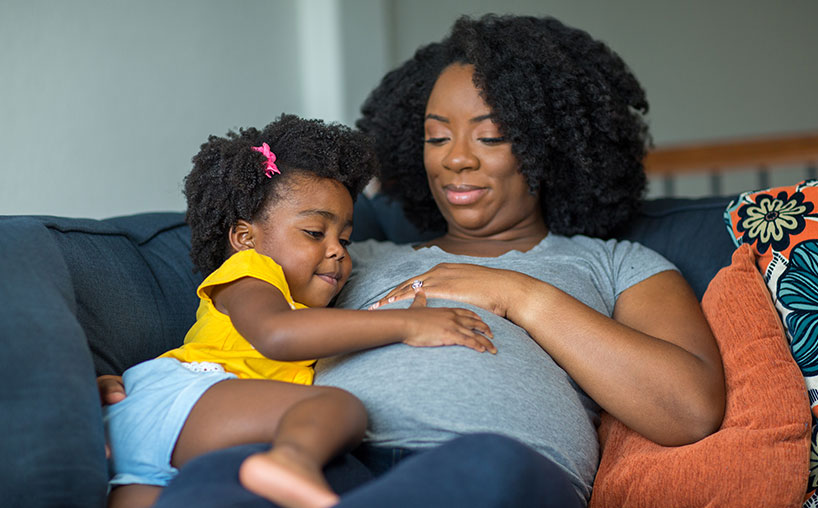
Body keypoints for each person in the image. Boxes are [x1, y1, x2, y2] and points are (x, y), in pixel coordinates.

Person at [100, 14, 726, 507]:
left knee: (489, 467)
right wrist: (131, 388)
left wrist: (517, 294)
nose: (454, 159)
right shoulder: (339, 256)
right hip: (324, 461)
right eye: (435, 135)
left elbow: (688, 411)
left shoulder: (615, 264)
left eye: (490, 135)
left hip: (489, 469)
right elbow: (239, 331)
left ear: (549, 142)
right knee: (220, 477)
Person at [102, 113, 496, 508]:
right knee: (334, 406)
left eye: (344, 237)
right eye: (314, 232)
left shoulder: (299, 300)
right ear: (245, 238)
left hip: (156, 448)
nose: (338, 250)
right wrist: (407, 323)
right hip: (184, 397)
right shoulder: (250, 272)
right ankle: (292, 460)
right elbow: (278, 334)